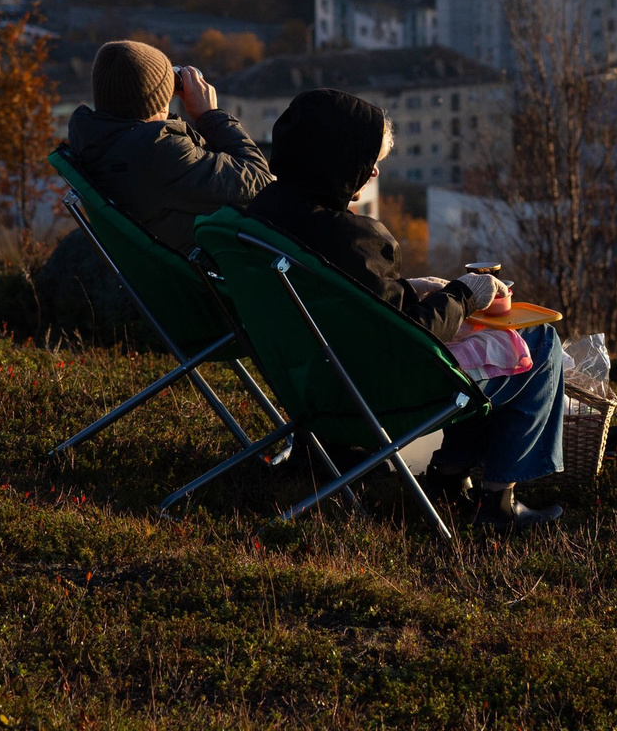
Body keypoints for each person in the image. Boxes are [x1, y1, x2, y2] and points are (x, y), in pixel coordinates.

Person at [245, 89, 566, 529]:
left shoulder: (261, 217)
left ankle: (451, 476)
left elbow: (358, 302)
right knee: (538, 341)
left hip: (311, 386)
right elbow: (413, 333)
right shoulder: (352, 238)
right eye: (367, 159)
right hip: (381, 396)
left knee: (482, 338)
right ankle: (500, 502)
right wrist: (467, 294)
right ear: (338, 159)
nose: (374, 171)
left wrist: (411, 289)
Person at [64, 40, 271, 253]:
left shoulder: (95, 142)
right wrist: (210, 116)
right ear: (157, 101)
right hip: (216, 269)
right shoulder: (162, 153)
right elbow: (261, 180)